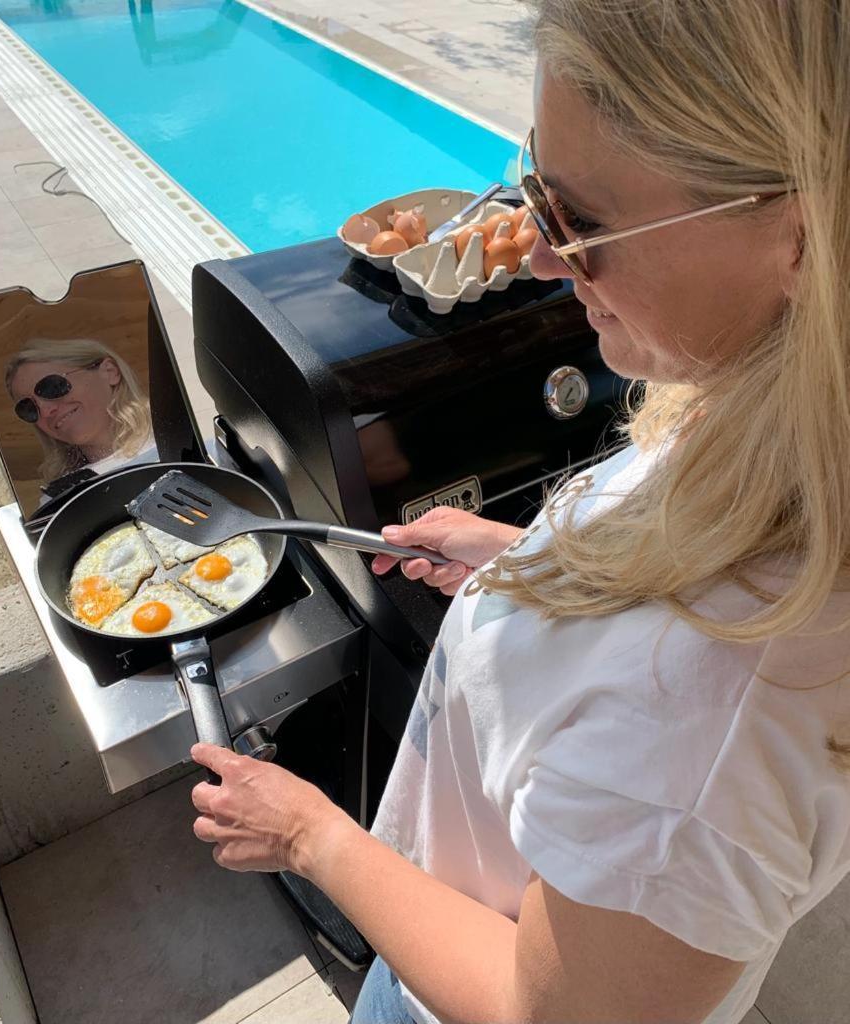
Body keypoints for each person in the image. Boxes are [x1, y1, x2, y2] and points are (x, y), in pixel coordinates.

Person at [187, 2, 850, 1022]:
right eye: (529, 189)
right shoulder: (768, 394)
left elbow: (535, 1007)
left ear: (801, 237)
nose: (538, 258)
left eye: (580, 222)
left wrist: (311, 836)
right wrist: (529, 559)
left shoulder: (700, 733)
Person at [5, 338, 156, 499]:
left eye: (52, 387)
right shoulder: (58, 500)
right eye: (28, 408)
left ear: (110, 372)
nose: (46, 410)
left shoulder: (179, 438)